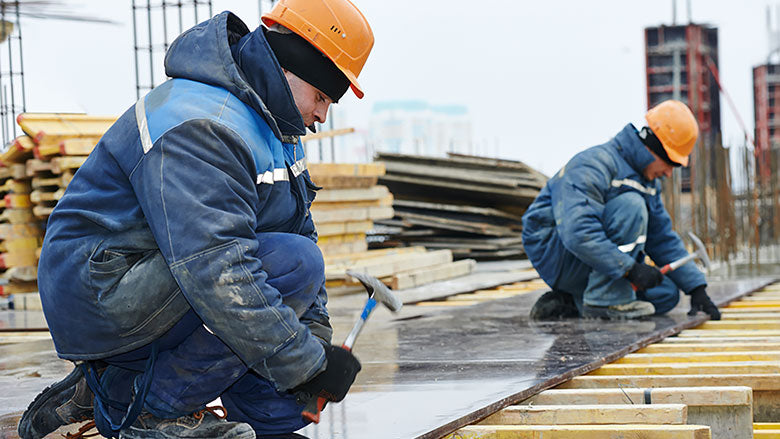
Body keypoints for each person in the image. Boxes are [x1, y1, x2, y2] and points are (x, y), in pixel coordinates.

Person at [18, 1, 374, 438]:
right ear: (288, 68)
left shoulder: (276, 127)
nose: (322, 115)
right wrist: (306, 362)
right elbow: (217, 269)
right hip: (100, 287)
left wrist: (314, 344)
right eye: (321, 96)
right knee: (291, 264)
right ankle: (150, 407)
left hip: (160, 278)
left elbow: (298, 230)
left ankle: (113, 385)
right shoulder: (205, 123)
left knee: (282, 413)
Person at [521, 100, 721, 321]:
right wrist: (630, 269)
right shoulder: (593, 165)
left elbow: (661, 238)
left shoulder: (646, 181)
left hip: (596, 260)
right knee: (632, 206)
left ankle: (571, 302)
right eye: (671, 163)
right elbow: (578, 233)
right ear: (653, 147)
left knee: (666, 294)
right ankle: (604, 302)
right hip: (559, 255)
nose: (668, 173)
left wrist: (695, 288)